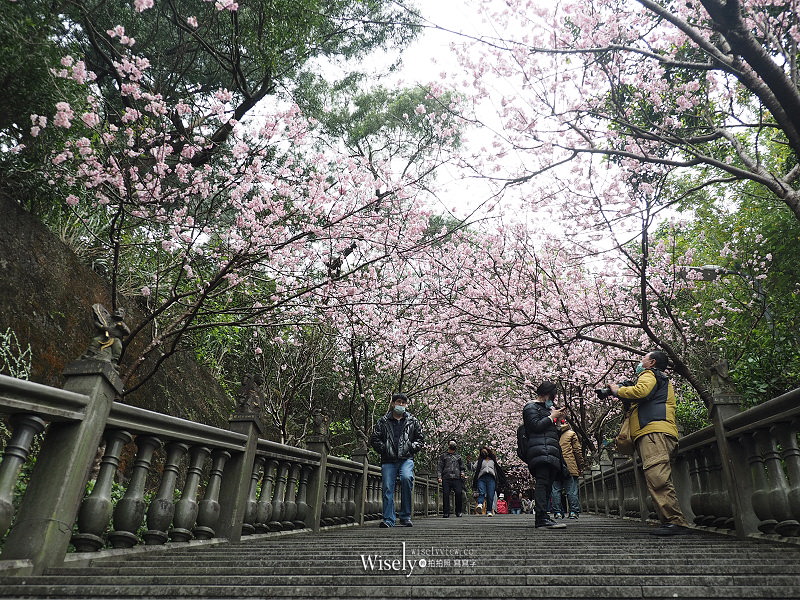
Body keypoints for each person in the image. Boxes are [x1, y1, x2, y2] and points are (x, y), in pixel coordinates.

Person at [608, 350, 690, 536]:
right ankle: (672, 521)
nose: (640, 361)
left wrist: (617, 390)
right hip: (657, 432)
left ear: (652, 362)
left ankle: (675, 522)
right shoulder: (659, 378)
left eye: (643, 358)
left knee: (658, 477)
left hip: (654, 433)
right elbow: (642, 397)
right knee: (657, 476)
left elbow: (641, 391)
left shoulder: (649, 374)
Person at [369, 393, 425, 528]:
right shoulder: (383, 421)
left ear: (406, 405)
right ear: (393, 403)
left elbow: (420, 439)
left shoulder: (412, 421)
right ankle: (388, 519)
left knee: (406, 479)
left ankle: (405, 516)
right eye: (398, 402)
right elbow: (375, 439)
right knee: (388, 487)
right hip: (388, 460)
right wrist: (384, 449)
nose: (401, 405)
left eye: (403, 403)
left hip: (406, 458)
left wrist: (411, 447)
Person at [519, 381, 567, 529]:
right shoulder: (530, 407)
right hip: (539, 451)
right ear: (547, 394)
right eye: (553, 396)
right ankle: (540, 518)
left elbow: (550, 433)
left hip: (550, 451)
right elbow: (535, 427)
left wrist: (557, 423)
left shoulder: (547, 410)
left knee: (547, 485)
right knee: (542, 482)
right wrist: (551, 417)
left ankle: (544, 516)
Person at [550, 419, 584, 519]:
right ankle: (573, 512)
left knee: (556, 490)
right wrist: (580, 465)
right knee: (571, 490)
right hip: (570, 466)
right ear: (565, 423)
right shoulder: (571, 434)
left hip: (555, 465)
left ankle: (558, 513)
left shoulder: (550, 434)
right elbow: (577, 451)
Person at [472, 446, 506, 516]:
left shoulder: (492, 461)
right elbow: (473, 468)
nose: (484, 453)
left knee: (491, 495)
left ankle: (489, 511)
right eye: (482, 452)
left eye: (485, 451)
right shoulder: (479, 461)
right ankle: (480, 504)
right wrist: (469, 462)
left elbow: (498, 470)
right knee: (482, 492)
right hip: (481, 478)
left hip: (491, 478)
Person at [437, 439, 466, 517]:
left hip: (457, 478)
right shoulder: (443, 456)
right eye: (451, 444)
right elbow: (440, 467)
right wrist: (439, 477)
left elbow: (462, 467)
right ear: (448, 445)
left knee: (458, 493)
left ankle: (458, 511)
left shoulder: (458, 457)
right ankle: (446, 512)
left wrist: (462, 473)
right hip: (446, 478)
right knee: (446, 494)